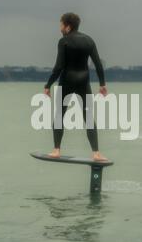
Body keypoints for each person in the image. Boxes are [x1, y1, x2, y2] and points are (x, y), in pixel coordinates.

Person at [44, 13, 108, 161]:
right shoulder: (89, 40)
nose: (60, 28)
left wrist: (48, 85)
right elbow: (98, 64)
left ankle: (56, 150)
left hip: (67, 80)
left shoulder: (63, 41)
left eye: (61, 25)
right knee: (89, 118)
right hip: (83, 82)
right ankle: (96, 153)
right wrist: (102, 84)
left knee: (60, 115)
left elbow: (59, 66)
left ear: (68, 26)